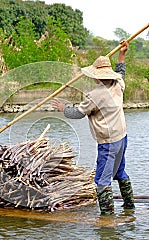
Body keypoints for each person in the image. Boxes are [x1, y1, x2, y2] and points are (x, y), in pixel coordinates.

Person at [51, 42, 135, 215]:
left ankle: (107, 216)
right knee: (120, 172)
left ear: (97, 77)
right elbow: (121, 72)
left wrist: (62, 108)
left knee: (102, 180)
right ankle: (129, 206)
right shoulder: (118, 85)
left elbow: (78, 113)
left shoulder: (95, 95)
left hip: (108, 142)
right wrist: (122, 54)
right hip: (122, 138)